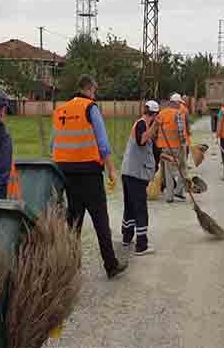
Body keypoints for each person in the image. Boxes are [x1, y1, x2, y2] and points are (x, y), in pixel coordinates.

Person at [51, 74, 127, 279]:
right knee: (100, 219)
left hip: (65, 173)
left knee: (73, 221)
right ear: (90, 89)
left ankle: (69, 267)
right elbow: (102, 142)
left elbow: (54, 143)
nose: (95, 94)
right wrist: (111, 169)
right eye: (94, 91)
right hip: (89, 173)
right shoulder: (90, 108)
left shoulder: (60, 110)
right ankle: (110, 265)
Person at [121, 101, 161, 255]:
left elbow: (151, 150)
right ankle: (141, 245)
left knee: (130, 207)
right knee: (140, 209)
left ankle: (126, 237)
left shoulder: (145, 125)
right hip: (135, 174)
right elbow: (141, 140)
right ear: (155, 114)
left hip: (129, 173)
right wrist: (155, 126)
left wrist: (167, 158)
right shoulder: (142, 124)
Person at [155, 94, 187, 203]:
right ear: (176, 103)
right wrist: (183, 143)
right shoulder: (177, 114)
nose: (180, 105)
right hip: (176, 147)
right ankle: (178, 190)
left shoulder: (161, 113)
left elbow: (156, 129)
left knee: (168, 171)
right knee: (183, 167)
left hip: (164, 147)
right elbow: (180, 131)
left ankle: (169, 196)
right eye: (179, 103)